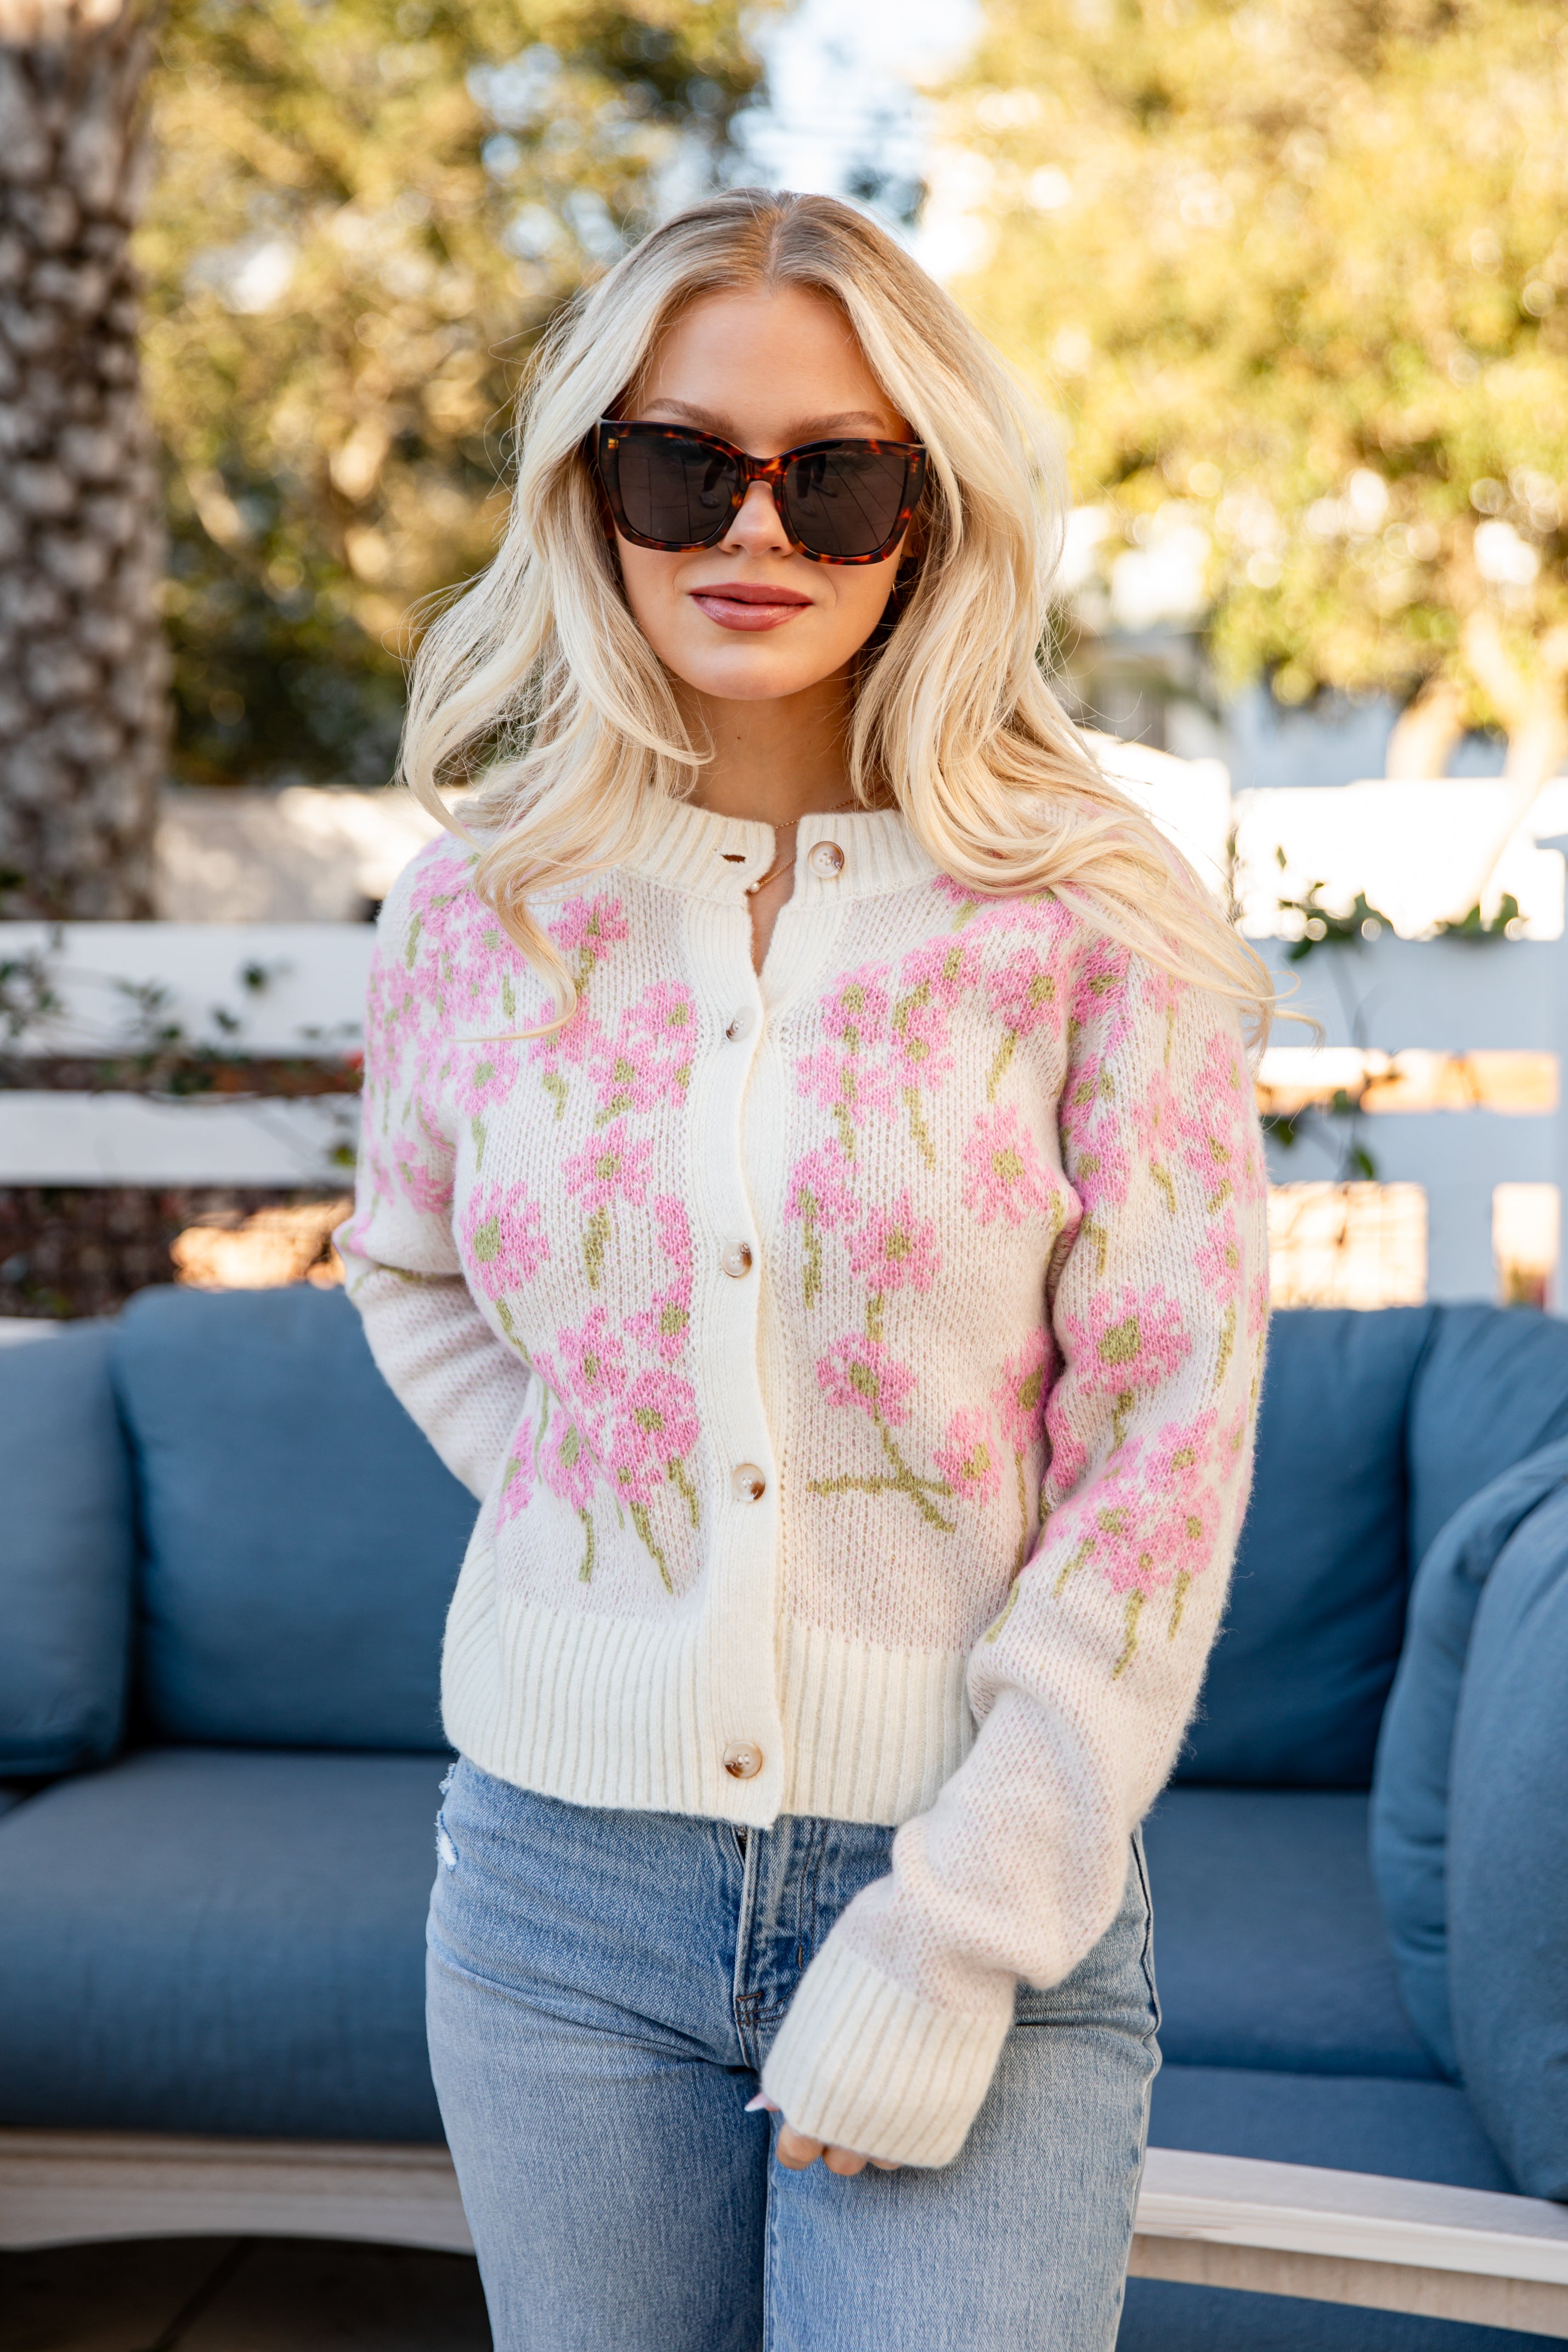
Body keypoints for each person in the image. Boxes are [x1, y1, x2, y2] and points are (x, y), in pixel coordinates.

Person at [338, 186, 1270, 2351]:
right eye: (684, 462)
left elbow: (1162, 1438)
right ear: (592, 488)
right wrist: (632, 1519)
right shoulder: (479, 912)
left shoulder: (1083, 911)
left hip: (979, 1882)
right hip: (552, 1896)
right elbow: (410, 1277)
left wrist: (953, 1932)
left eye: (835, 475)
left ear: (932, 511)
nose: (752, 530)